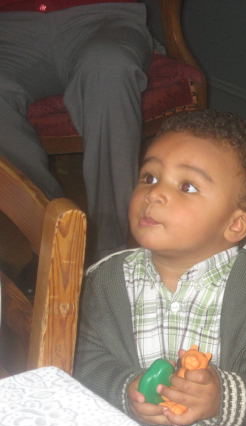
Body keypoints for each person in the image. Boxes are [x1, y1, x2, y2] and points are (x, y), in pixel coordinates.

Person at [74, 110, 246, 426]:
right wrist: (125, 390)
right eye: (149, 177)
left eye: (186, 186)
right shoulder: (106, 282)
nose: (155, 193)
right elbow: (82, 359)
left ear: (235, 224)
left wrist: (221, 398)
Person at [0, 1, 153, 260]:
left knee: (108, 66)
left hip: (102, 17)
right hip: (11, 26)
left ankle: (110, 253)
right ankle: (54, 239)